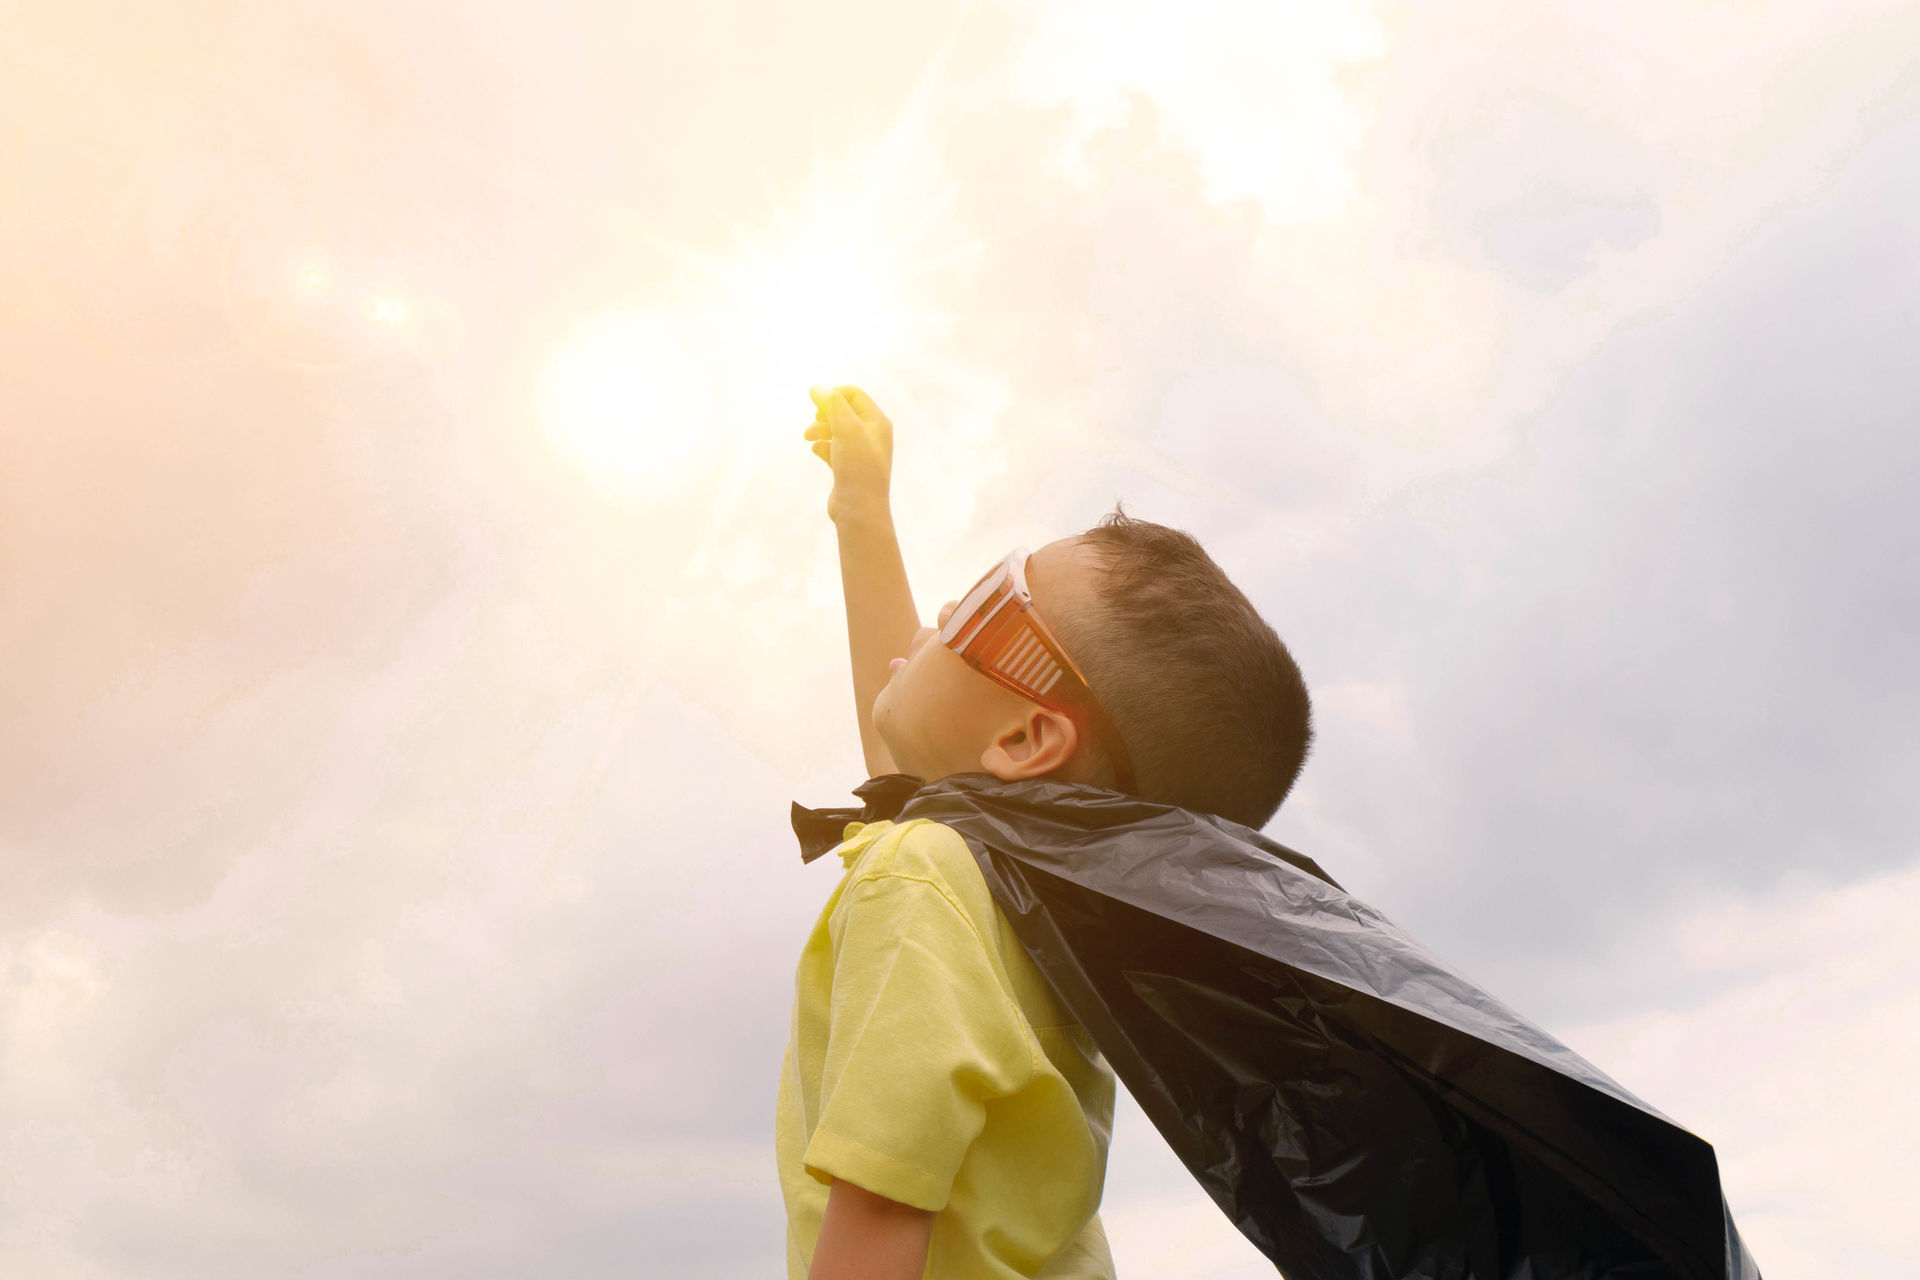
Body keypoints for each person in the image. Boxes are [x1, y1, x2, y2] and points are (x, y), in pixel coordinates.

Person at [776, 384, 1314, 1280]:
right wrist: (862, 510)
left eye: (989, 601)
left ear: (1026, 737)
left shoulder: (925, 874)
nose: (946, 606)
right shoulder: (1031, 888)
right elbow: (904, 728)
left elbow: (880, 1207)